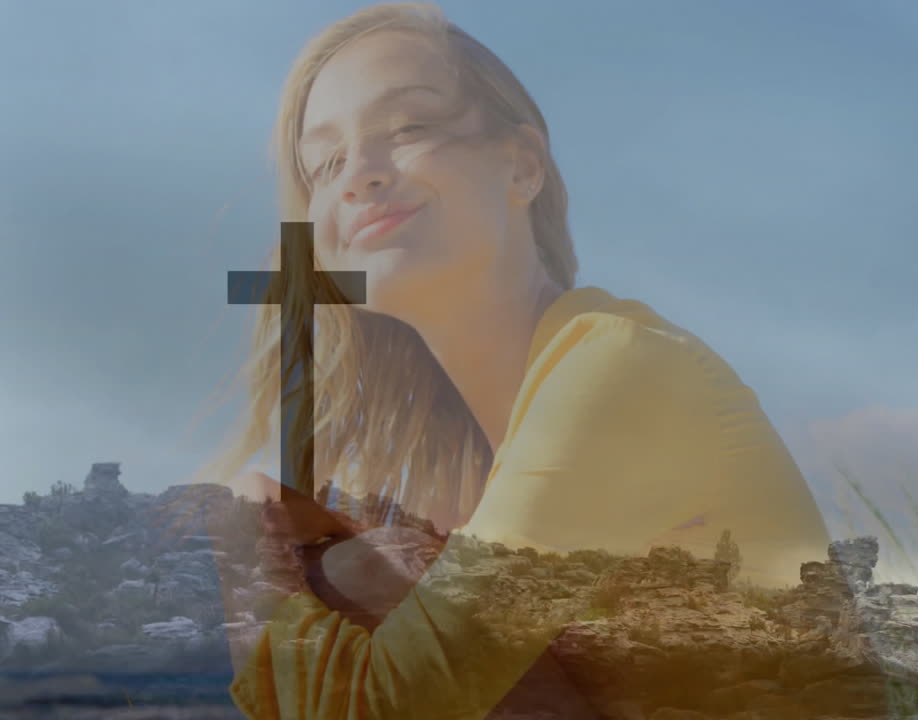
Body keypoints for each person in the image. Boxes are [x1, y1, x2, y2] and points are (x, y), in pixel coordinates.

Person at [202, 3, 835, 717]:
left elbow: (385, 707)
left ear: (523, 165)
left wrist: (251, 558)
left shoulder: (622, 369)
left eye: (408, 127)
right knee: (359, 566)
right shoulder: (493, 446)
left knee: (357, 574)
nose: (358, 177)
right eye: (325, 164)